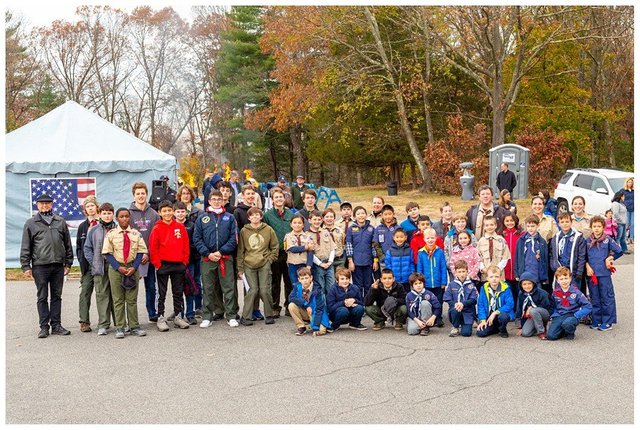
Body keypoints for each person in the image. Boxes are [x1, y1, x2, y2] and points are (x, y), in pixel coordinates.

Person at [20, 193, 73, 338]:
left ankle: (56, 325)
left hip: (57, 266)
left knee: (56, 296)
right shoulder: (31, 223)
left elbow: (67, 244)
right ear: (37, 205)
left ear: (52, 204)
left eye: (47, 203)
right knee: (42, 296)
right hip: (40, 266)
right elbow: (26, 246)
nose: (45, 205)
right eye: (42, 203)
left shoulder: (60, 221)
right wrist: (26, 266)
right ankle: (44, 326)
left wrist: (68, 262)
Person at [193, 190, 240, 328]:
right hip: (208, 259)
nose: (217, 201)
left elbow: (234, 237)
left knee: (229, 287)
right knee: (208, 288)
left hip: (225, 257)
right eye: (214, 199)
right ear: (209, 200)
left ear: (223, 200)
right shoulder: (202, 217)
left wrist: (221, 251)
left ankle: (231, 315)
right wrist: (208, 253)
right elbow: (197, 238)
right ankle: (207, 316)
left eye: (219, 199)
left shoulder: (230, 217)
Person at [102, 208, 148, 338]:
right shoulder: (111, 234)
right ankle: (120, 327)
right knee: (118, 299)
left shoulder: (135, 233)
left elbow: (140, 251)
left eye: (127, 216)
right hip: (117, 269)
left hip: (132, 268)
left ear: (130, 218)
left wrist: (134, 267)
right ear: (117, 218)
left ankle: (134, 326)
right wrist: (118, 267)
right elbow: (107, 253)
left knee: (132, 299)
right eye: (121, 216)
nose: (124, 219)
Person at [148, 200, 190, 332]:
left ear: (173, 211)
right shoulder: (157, 228)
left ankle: (178, 316)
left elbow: (185, 245)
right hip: (163, 265)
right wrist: (157, 264)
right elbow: (153, 248)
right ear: (160, 213)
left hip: (178, 264)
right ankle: (160, 317)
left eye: (169, 210)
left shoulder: (180, 227)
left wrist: (184, 261)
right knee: (161, 293)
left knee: (178, 292)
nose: (167, 213)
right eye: (164, 211)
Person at [237, 207, 278, 327]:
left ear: (261, 216)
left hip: (264, 263)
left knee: (265, 290)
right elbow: (241, 251)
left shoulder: (268, 229)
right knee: (252, 290)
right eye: (252, 216)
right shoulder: (244, 231)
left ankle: (269, 315)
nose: (255, 217)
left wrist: (270, 259)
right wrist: (240, 268)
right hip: (249, 264)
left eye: (257, 215)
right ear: (249, 218)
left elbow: (275, 247)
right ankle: (246, 316)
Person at [83, 202, 117, 336]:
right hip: (100, 266)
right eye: (104, 213)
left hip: (115, 266)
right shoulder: (94, 230)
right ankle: (103, 324)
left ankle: (120, 323)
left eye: (109, 213)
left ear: (113, 214)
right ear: (100, 214)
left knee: (117, 295)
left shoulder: (118, 229)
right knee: (102, 294)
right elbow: (87, 248)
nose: (107, 216)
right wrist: (94, 262)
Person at [129, 182, 160, 323]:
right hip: (134, 257)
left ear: (146, 194)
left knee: (151, 287)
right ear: (133, 195)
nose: (141, 196)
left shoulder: (153, 214)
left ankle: (152, 312)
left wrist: (148, 253)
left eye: (143, 193)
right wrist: (139, 254)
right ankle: (131, 316)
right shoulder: (128, 214)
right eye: (138, 194)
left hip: (150, 256)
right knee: (131, 287)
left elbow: (157, 235)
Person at [585, 216, 622, 331]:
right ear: (591, 227)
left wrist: (610, 258)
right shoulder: (587, 241)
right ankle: (597, 320)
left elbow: (619, 251)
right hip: (592, 274)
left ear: (603, 227)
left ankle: (607, 321)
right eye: (594, 226)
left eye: (599, 226)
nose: (596, 229)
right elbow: (583, 256)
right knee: (594, 297)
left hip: (604, 274)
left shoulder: (608, 240)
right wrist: (587, 266)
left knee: (606, 297)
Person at [263, 187, 294, 317]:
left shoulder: (290, 214)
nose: (279, 199)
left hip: (289, 253)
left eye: (281, 197)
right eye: (276, 197)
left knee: (289, 281)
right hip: (275, 253)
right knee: (275, 282)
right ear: (272, 199)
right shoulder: (268, 215)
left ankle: (289, 305)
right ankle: (275, 306)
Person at [547, 267, 592, 340]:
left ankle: (570, 332)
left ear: (570, 278)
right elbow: (552, 305)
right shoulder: (555, 293)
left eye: (566, 278)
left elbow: (588, 306)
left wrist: (577, 315)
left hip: (572, 315)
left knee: (567, 323)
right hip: (560, 315)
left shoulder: (576, 292)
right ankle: (562, 330)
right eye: (561, 279)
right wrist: (554, 315)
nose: (564, 281)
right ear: (557, 281)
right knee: (551, 336)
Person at [173, 202, 200, 325]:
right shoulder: (172, 226)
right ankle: (180, 313)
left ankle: (190, 313)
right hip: (175, 262)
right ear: (174, 213)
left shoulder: (192, 226)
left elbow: (196, 242)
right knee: (178, 289)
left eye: (182, 211)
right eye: (178, 211)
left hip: (190, 261)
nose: (180, 214)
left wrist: (186, 250)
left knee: (190, 288)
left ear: (186, 212)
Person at [416, 228, 448, 327]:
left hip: (438, 283)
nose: (430, 240)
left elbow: (443, 267)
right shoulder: (421, 252)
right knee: (428, 300)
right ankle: (429, 317)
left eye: (432, 238)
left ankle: (438, 318)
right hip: (427, 283)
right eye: (428, 238)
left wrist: (444, 282)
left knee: (438, 301)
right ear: (424, 239)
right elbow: (419, 269)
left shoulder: (440, 252)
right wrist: (421, 282)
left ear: (436, 238)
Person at [76, 195, 99, 332]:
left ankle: (106, 320)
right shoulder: (82, 227)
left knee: (104, 293)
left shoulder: (103, 223)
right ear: (85, 210)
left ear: (97, 207)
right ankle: (84, 321)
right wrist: (81, 261)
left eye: (92, 205)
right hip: (87, 265)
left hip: (101, 263)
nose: (90, 208)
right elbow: (79, 246)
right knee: (85, 292)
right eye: (88, 207)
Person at [287, 267, 330, 336]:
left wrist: (316, 328)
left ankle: (313, 324)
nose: (305, 281)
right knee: (291, 305)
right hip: (305, 311)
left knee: (321, 331)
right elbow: (291, 298)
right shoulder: (297, 287)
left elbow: (319, 309)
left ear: (311, 278)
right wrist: (305, 304)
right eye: (302, 279)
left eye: (306, 278)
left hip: (315, 312)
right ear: (299, 280)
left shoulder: (317, 290)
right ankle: (301, 326)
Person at [346, 206, 378, 298]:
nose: (361, 216)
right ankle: (359, 304)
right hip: (356, 263)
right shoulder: (351, 229)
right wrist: (350, 261)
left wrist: (375, 260)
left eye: (363, 213)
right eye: (358, 214)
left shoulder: (371, 229)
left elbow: (374, 246)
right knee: (357, 286)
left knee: (368, 284)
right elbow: (349, 245)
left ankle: (368, 304)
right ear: (354, 216)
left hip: (368, 262)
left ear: (366, 215)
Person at [550, 212, 587, 289]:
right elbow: (552, 255)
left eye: (567, 221)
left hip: (574, 272)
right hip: (560, 272)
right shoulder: (556, 238)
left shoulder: (578, 237)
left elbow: (582, 256)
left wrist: (579, 272)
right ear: (559, 224)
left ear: (571, 222)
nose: (565, 224)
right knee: (560, 296)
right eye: (562, 222)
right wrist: (555, 267)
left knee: (573, 296)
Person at [476, 265, 515, 338]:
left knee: (503, 316)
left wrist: (496, 312)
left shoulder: (506, 288)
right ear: (487, 278)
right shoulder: (483, 288)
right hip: (489, 316)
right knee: (480, 333)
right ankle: (495, 328)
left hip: (500, 314)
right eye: (491, 277)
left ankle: (502, 329)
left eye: (496, 276)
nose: (494, 279)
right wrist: (483, 320)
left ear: (500, 277)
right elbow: (481, 305)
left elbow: (510, 304)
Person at [443, 260, 478, 337]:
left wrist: (463, 304)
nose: (461, 274)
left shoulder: (471, 285)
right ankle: (455, 326)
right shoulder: (452, 284)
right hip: (455, 310)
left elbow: (474, 300)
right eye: (459, 272)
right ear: (455, 272)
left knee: (466, 333)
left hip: (467, 312)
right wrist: (456, 304)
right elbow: (447, 298)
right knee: (455, 309)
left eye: (463, 271)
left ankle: (466, 324)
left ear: (467, 271)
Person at [515, 272, 553, 340]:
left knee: (533, 311)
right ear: (521, 285)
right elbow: (520, 309)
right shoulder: (521, 294)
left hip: (545, 314)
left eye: (529, 283)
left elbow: (548, 306)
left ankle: (541, 331)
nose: (527, 286)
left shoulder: (542, 293)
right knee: (525, 333)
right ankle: (538, 325)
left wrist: (532, 308)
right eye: (524, 284)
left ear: (533, 283)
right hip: (532, 316)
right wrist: (522, 327)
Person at [515, 215, 549, 290]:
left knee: (537, 294)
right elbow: (517, 257)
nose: (530, 228)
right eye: (528, 226)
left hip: (537, 274)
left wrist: (544, 276)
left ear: (538, 225)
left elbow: (545, 260)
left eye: (533, 226)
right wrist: (517, 273)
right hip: (524, 273)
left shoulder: (542, 242)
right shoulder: (521, 240)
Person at [308, 210, 336, 295]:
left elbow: (332, 248)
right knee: (321, 287)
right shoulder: (306, 235)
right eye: (314, 219)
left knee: (331, 287)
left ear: (322, 220)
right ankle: (322, 307)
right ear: (310, 220)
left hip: (328, 263)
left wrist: (330, 261)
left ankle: (330, 307)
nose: (317, 222)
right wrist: (320, 263)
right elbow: (310, 253)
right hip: (317, 265)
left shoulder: (326, 232)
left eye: (319, 219)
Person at [284, 214, 314, 287]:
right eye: (295, 223)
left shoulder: (308, 236)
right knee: (296, 285)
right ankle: (297, 298)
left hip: (304, 264)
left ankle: (306, 298)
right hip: (293, 265)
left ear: (303, 225)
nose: (297, 225)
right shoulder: (288, 236)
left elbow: (310, 252)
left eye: (300, 223)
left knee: (306, 285)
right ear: (291, 224)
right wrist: (306, 247)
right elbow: (292, 249)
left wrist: (309, 265)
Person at [477, 216, 511, 281]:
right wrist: (483, 268)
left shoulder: (501, 240)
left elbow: (505, 257)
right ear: (484, 227)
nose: (489, 227)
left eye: (491, 225)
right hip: (486, 276)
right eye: (487, 225)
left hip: (499, 275)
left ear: (495, 226)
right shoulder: (481, 241)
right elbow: (478, 257)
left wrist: (498, 268)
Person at [502, 213, 523, 304]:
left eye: (511, 221)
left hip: (518, 269)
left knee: (519, 292)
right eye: (507, 221)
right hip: (506, 270)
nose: (509, 223)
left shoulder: (521, 234)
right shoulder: (501, 235)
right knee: (508, 293)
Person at [322, 208, 346, 275]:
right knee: (331, 282)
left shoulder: (340, 230)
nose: (329, 219)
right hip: (326, 261)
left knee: (340, 279)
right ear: (323, 218)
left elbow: (343, 243)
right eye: (327, 217)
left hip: (339, 260)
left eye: (331, 217)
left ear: (334, 218)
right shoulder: (320, 231)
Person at [621, 177, 633, 244]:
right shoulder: (623, 190)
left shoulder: (634, 190)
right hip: (626, 209)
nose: (630, 183)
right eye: (629, 182)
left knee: (633, 224)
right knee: (627, 224)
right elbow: (618, 197)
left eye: (631, 182)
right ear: (626, 183)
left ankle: (631, 238)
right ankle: (625, 238)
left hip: (633, 209)